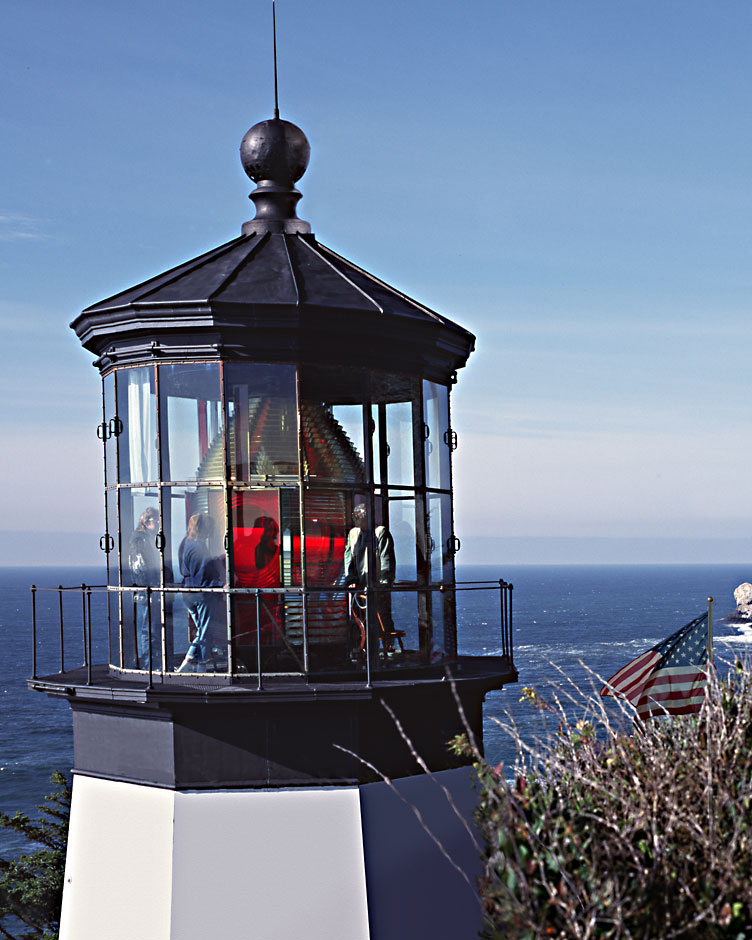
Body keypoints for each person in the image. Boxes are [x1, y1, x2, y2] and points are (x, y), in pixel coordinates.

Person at [176, 513, 224, 673]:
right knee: (205, 630)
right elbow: (201, 576)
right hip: (201, 594)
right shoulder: (199, 547)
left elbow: (189, 571)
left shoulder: (185, 543)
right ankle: (194, 662)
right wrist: (220, 585)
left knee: (203, 630)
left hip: (188, 592)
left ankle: (198, 665)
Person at [344, 504, 396, 650]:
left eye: (358, 516)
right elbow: (349, 558)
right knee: (361, 619)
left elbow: (386, 559)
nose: (355, 520)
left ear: (366, 517)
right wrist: (351, 579)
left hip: (377, 586)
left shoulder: (380, 532)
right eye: (354, 516)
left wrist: (384, 582)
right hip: (360, 585)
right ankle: (363, 649)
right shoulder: (353, 534)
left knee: (382, 616)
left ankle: (388, 647)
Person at [128, 507, 161, 667]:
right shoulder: (140, 540)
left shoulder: (143, 538)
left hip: (147, 590)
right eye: (156, 519)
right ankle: (150, 665)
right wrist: (149, 585)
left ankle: (152, 663)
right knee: (149, 629)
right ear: (147, 521)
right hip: (146, 590)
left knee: (150, 628)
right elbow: (138, 565)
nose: (159, 523)